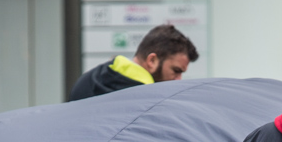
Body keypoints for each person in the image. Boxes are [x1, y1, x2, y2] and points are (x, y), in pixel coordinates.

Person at [68, 24, 198, 101]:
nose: (178, 79)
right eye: (176, 71)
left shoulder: (88, 79)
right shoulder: (150, 100)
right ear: (152, 60)